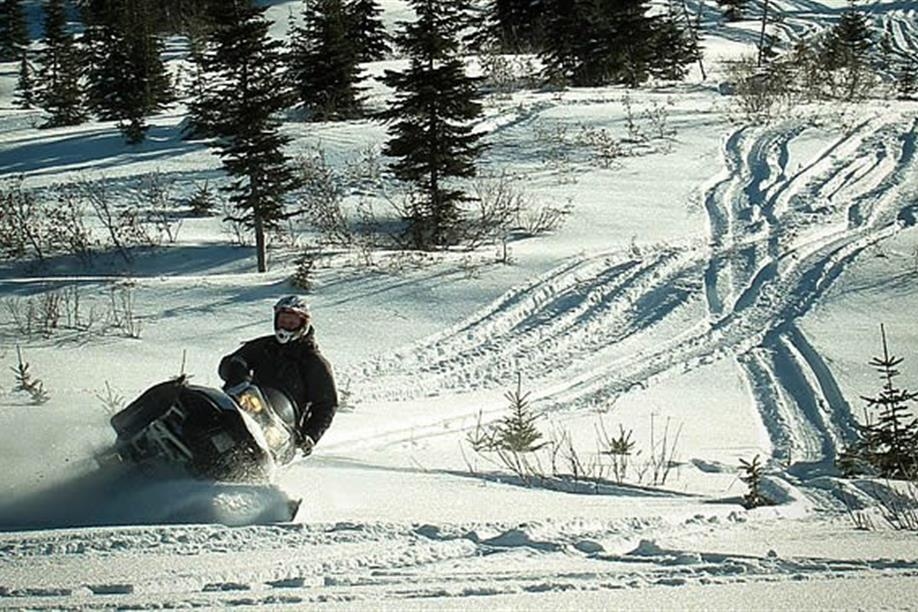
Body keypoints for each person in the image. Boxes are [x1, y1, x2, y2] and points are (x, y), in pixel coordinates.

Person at [218, 296, 338, 456]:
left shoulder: (313, 361)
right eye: (283, 321)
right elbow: (231, 362)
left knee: (262, 448)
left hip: (282, 428)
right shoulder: (264, 346)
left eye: (291, 323)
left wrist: (311, 435)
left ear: (303, 325)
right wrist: (237, 373)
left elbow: (326, 403)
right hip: (249, 408)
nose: (285, 327)